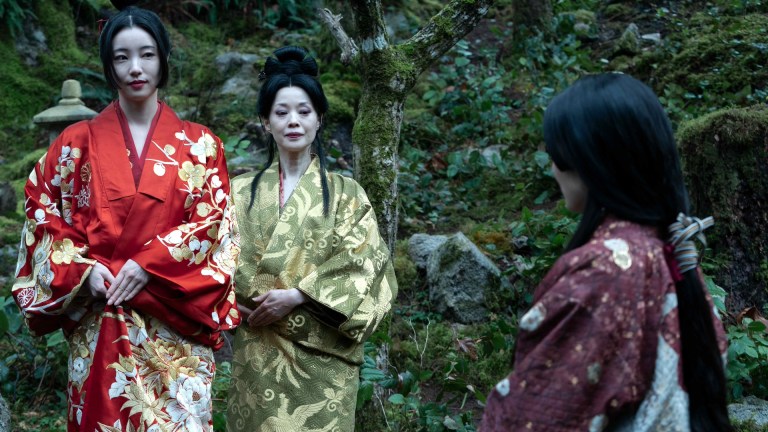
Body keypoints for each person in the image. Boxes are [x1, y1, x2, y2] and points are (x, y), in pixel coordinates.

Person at [11, 5, 240, 431]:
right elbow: (41, 213)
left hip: (175, 335)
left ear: (164, 59)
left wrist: (147, 265)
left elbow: (215, 225)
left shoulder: (202, 145)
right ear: (108, 64)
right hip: (101, 325)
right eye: (121, 57)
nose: (135, 68)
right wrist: (82, 271)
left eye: (147, 54)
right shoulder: (74, 143)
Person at [480, 73, 732, 431]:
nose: (552, 169)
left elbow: (535, 417)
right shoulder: (666, 247)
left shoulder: (606, 272)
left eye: (556, 154)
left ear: (588, 160)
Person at [226, 46, 397, 431]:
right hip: (258, 353)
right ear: (265, 122)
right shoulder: (236, 193)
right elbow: (211, 264)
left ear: (319, 119)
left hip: (324, 363)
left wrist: (298, 295)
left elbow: (367, 262)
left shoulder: (346, 192)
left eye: (303, 112)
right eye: (281, 112)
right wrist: (231, 307)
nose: (293, 121)